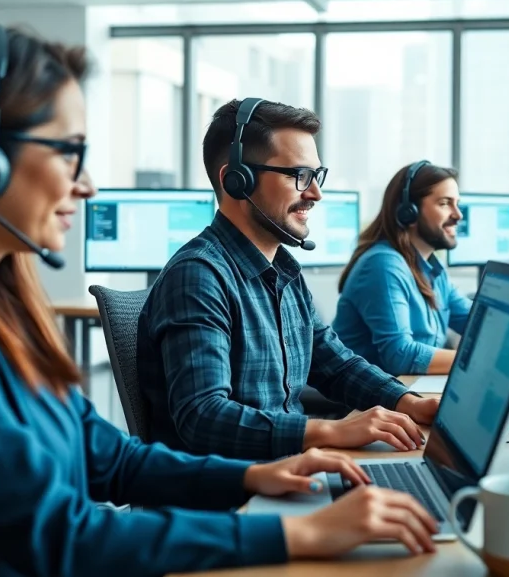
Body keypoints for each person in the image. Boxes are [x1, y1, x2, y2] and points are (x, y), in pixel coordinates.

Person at [0, 20, 439, 576]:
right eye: (68, 151)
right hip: (193, 532)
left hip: (245, 498)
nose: (86, 184)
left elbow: (108, 456)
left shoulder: (1, 314)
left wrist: (253, 475)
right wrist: (300, 528)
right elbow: (61, 536)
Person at [137, 98, 440, 461]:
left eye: (316, 176)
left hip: (288, 471)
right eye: (299, 176)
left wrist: (408, 402)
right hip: (230, 498)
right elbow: (203, 417)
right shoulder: (199, 277)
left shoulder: (284, 271)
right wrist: (332, 430)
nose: (315, 193)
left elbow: (336, 364)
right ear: (236, 181)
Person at [333, 161, 472, 376]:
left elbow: (475, 322)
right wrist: (477, 359)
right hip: (367, 403)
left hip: (405, 391)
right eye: (445, 203)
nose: (458, 214)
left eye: (457, 203)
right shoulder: (383, 265)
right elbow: (401, 355)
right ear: (409, 212)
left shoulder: (433, 268)